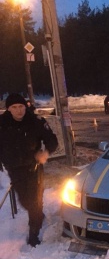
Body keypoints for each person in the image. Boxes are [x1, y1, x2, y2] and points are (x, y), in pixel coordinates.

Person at [0, 93, 58, 247]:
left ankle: (34, 233)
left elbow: (52, 140)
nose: (19, 110)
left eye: (21, 106)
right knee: (25, 201)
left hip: (34, 168)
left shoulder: (36, 121)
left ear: (25, 106)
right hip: (14, 169)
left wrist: (45, 153)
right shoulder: (2, 124)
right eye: (14, 107)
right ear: (8, 109)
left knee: (34, 201)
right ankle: (37, 213)